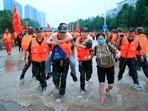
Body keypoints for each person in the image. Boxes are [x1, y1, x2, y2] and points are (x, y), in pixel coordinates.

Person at [93, 33, 120, 104]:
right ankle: (101, 99)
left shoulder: (108, 45)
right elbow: (91, 56)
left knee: (111, 85)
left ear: (104, 39)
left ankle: (107, 91)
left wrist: (118, 54)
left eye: (102, 39)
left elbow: (117, 51)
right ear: (97, 40)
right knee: (101, 84)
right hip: (100, 67)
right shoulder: (95, 48)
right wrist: (88, 57)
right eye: (99, 39)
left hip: (110, 67)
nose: (101, 40)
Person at [46, 23, 72, 99]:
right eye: (60, 32)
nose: (62, 34)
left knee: (64, 78)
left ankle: (61, 94)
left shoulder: (69, 38)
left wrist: (72, 57)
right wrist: (52, 43)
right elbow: (47, 42)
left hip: (65, 61)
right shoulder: (53, 37)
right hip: (56, 62)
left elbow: (73, 47)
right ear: (58, 32)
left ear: (66, 32)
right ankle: (55, 83)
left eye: (63, 32)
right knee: (55, 79)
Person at [74, 27, 93, 94]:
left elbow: (84, 47)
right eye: (82, 32)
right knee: (82, 75)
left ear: (87, 33)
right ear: (80, 33)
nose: (84, 33)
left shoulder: (89, 41)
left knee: (88, 75)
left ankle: (88, 78)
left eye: (85, 32)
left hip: (88, 60)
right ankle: (82, 88)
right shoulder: (77, 40)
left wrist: (75, 44)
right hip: (81, 61)